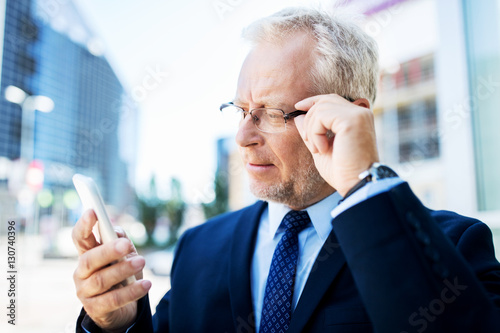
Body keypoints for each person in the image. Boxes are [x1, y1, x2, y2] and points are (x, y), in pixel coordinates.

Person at [72, 7, 500, 333]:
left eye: (270, 114)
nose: (243, 137)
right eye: (239, 111)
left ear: (348, 118)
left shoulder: (454, 247)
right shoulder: (199, 247)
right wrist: (116, 322)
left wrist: (362, 182)